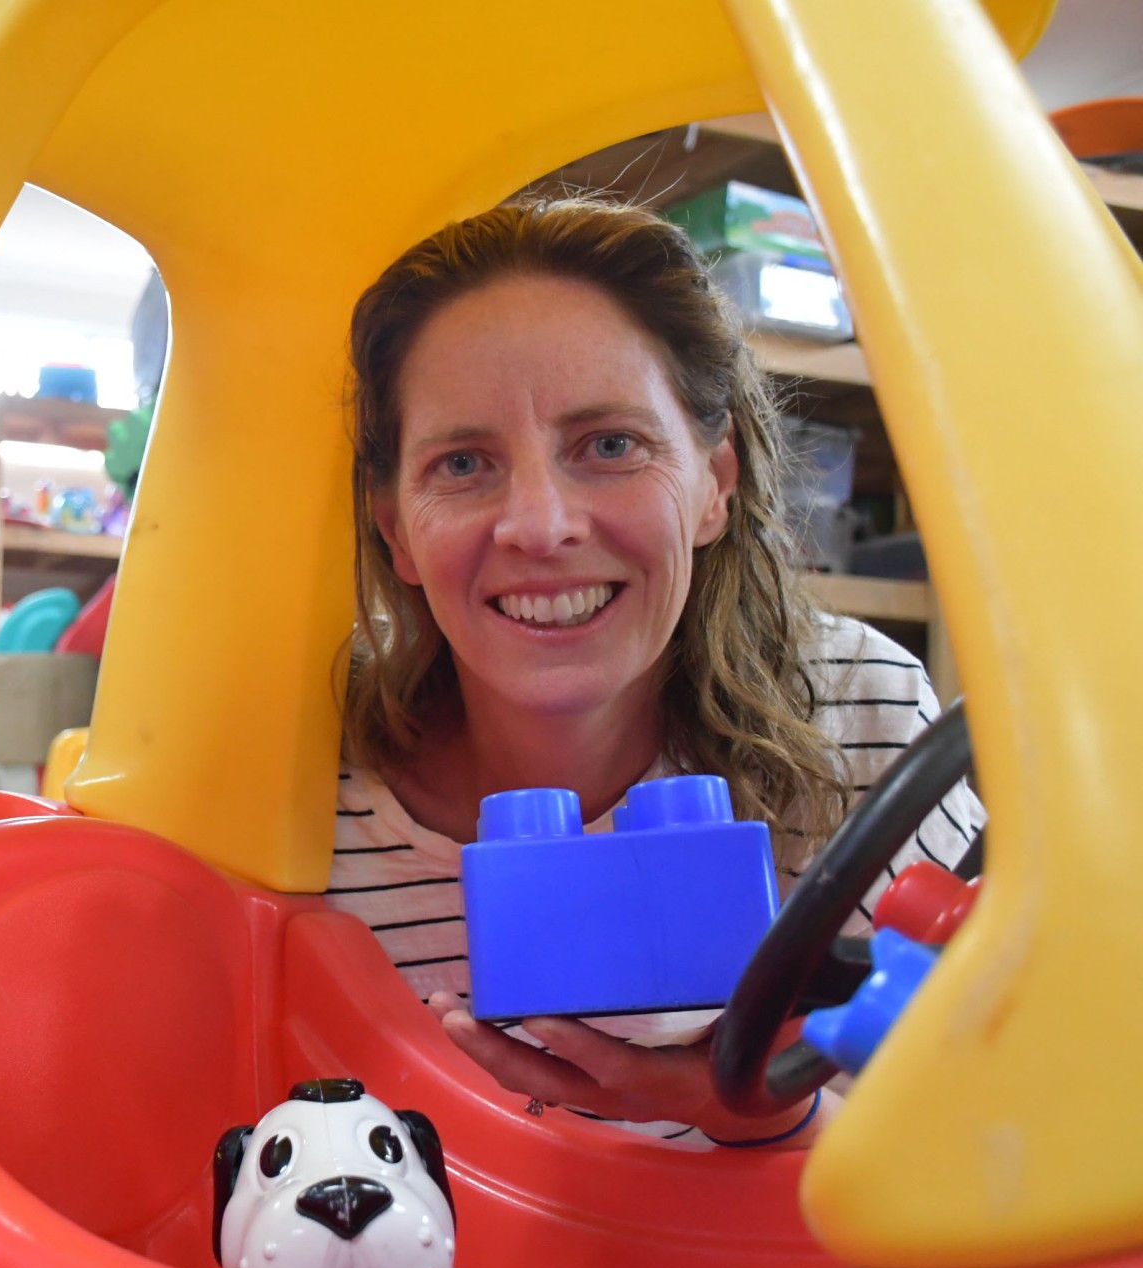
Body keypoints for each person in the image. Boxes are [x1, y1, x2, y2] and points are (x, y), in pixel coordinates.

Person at [332, 196, 983, 1146]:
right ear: (395, 528)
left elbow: (1000, 1139)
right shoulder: (293, 793)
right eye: (465, 462)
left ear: (715, 483)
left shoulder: (863, 716)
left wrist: (760, 1108)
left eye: (609, 446)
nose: (541, 525)